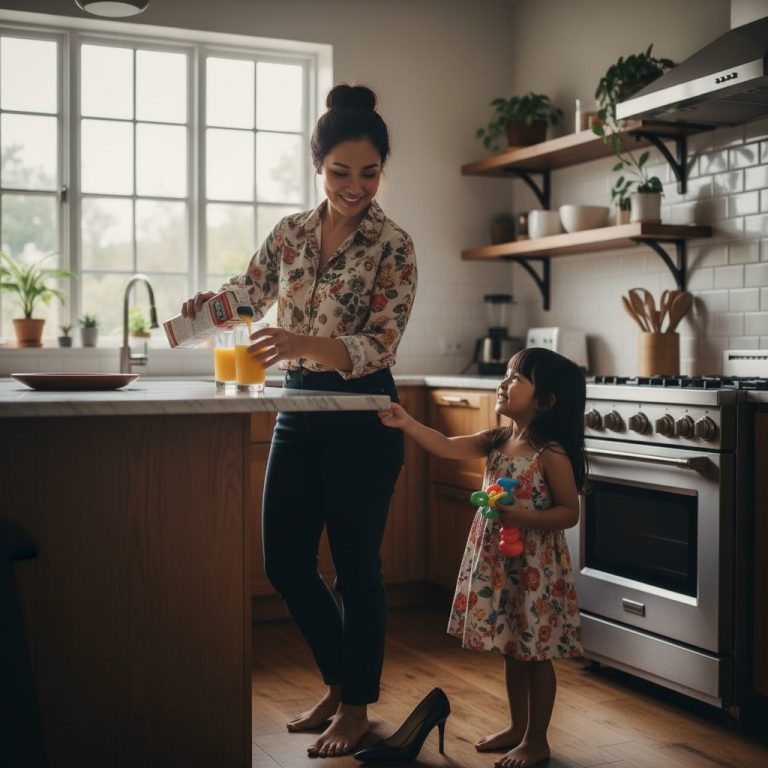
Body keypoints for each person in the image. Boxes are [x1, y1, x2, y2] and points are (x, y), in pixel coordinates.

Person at [181, 84, 417, 758]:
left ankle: (356, 706)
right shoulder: (289, 234)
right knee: (284, 561)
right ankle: (340, 683)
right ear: (317, 164)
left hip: (363, 414)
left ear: (382, 168)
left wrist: (301, 343)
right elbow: (248, 294)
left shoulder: (394, 245)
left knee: (356, 570)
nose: (355, 186)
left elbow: (382, 343)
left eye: (369, 172)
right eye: (340, 172)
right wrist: (201, 313)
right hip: (298, 410)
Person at [379, 347, 586, 768]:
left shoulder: (550, 453)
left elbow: (569, 512)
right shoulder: (496, 438)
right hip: (500, 561)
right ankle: (517, 727)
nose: (503, 383)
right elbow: (444, 445)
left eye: (516, 378)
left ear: (545, 400)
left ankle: (537, 739)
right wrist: (407, 422)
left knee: (535, 653)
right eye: (506, 374)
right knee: (512, 646)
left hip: (535, 567)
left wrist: (523, 516)